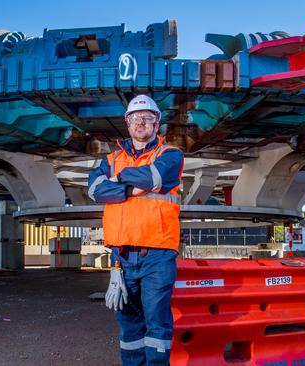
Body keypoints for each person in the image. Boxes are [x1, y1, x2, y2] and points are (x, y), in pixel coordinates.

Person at [88, 94, 184, 366]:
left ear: (157, 124)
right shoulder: (110, 159)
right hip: (121, 257)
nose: (142, 123)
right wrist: (133, 187)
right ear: (127, 124)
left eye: (148, 118)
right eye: (136, 118)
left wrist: (118, 182)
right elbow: (95, 189)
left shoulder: (170, 155)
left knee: (157, 324)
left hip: (158, 255)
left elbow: (154, 177)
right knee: (128, 324)